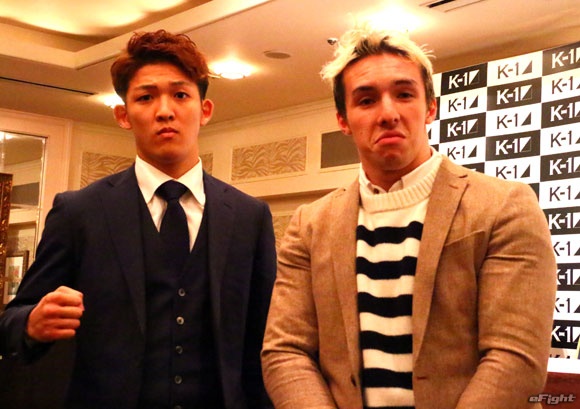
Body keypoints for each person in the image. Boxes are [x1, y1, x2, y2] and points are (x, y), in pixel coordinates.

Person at [261, 22, 557, 409]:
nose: (388, 114)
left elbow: (516, 359)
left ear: (430, 107)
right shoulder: (309, 225)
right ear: (343, 120)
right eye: (366, 100)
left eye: (404, 94)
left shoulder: (505, 206)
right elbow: (286, 351)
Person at [0, 30, 276, 409]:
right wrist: (32, 323)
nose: (165, 111)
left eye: (181, 95)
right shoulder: (79, 212)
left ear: (205, 110)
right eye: (145, 97)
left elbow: (266, 338)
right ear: (123, 115)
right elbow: (11, 321)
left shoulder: (249, 216)